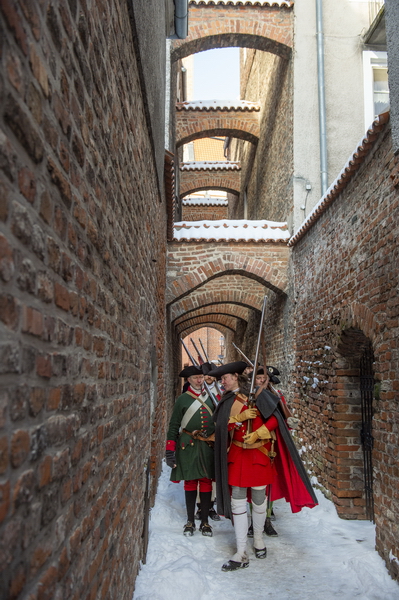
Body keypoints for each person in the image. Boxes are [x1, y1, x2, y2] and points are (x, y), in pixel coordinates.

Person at [210, 361, 318, 571]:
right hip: (238, 456)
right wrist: (237, 418)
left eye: (225, 378)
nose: (222, 382)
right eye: (221, 379)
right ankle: (241, 551)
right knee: (237, 501)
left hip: (259, 454)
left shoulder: (258, 394)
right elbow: (222, 427)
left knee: (260, 499)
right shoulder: (228, 400)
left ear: (234, 376)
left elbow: (276, 419)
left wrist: (260, 432)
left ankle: (258, 539)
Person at [165, 365, 215, 537]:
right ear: (188, 380)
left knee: (206, 481)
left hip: (207, 444)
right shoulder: (183, 400)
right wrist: (170, 450)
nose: (199, 380)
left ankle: (205, 521)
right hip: (188, 444)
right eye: (195, 378)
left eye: (201, 377)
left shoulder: (212, 397)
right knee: (191, 482)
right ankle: (190, 520)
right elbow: (174, 426)